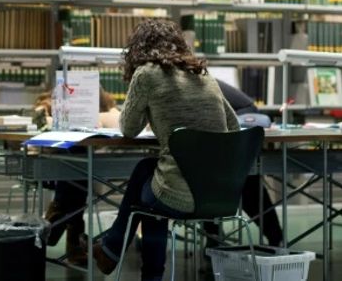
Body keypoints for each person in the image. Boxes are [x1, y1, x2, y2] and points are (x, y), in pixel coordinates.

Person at [89, 19, 242, 281]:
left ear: (139, 48)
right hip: (219, 193)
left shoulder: (147, 74)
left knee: (150, 191)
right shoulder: (204, 75)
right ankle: (114, 249)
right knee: (149, 173)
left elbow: (128, 129)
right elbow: (234, 127)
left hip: (178, 195)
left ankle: (118, 250)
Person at [41, 87, 121, 266]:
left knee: (77, 165)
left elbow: (117, 118)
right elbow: (41, 118)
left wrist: (98, 118)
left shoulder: (106, 105)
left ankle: (56, 221)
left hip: (84, 165)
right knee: (76, 160)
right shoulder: (51, 103)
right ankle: (73, 240)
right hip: (56, 164)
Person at [204, 80, 284, 248]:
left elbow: (246, 107)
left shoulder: (201, 82)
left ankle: (275, 237)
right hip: (205, 155)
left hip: (231, 135)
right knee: (242, 180)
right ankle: (213, 235)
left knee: (246, 179)